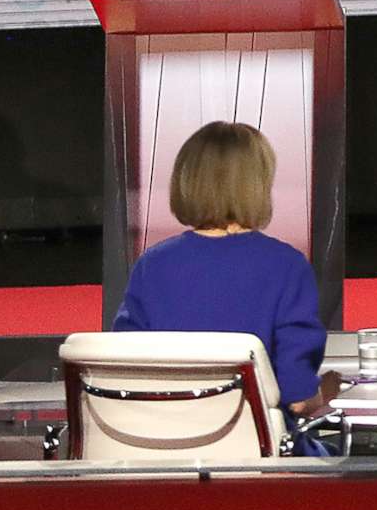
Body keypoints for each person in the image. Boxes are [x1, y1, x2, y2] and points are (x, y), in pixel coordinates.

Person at [113, 120, 332, 425]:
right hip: (259, 462)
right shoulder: (287, 266)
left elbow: (123, 373)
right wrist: (328, 392)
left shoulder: (152, 266)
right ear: (258, 185)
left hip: (162, 449)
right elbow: (297, 399)